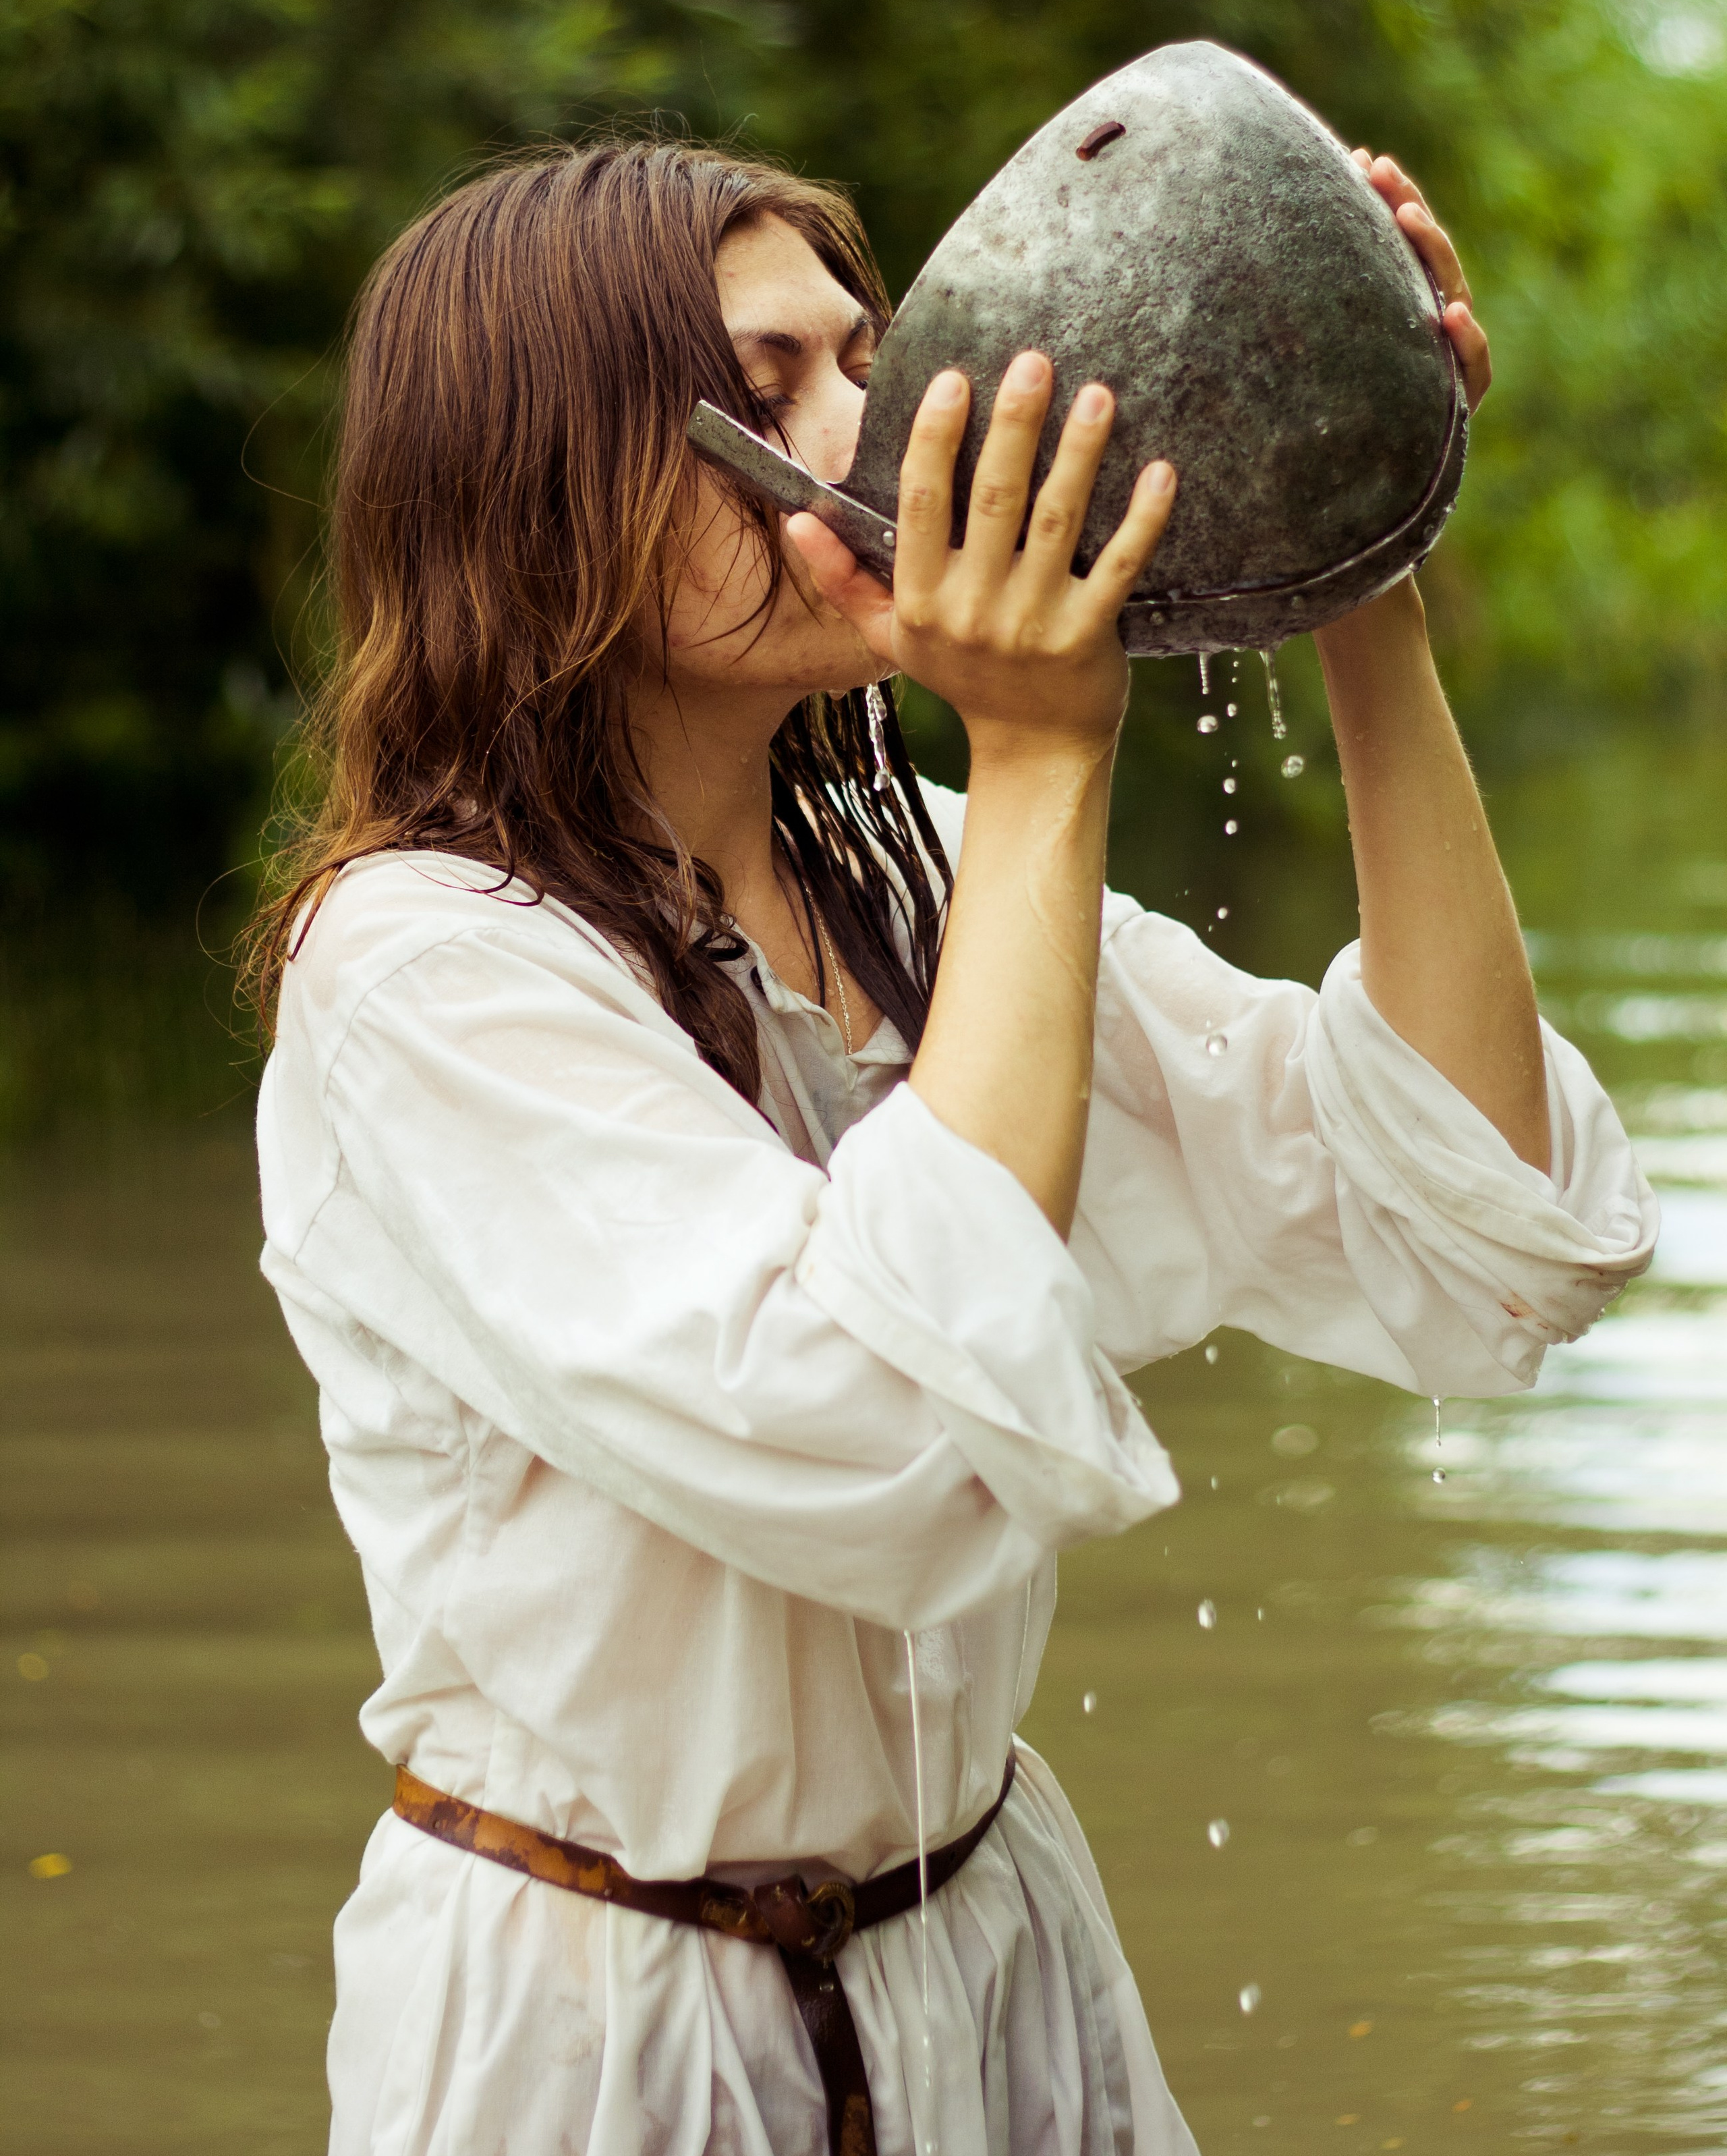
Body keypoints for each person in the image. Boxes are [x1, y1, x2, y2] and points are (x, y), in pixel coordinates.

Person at [249, 137, 1656, 2156]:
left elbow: (1486, 1227)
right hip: (600, 2027)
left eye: (870, 360)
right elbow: (894, 1433)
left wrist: (1357, 568)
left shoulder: (917, 873)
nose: (878, 437)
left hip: (991, 1964)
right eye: (778, 385)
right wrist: (1050, 747)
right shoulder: (418, 970)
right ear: (552, 488)